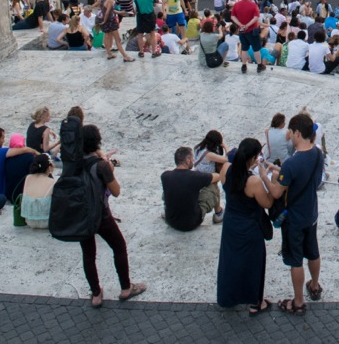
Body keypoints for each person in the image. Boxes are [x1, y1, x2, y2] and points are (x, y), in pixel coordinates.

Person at [75, 124, 145, 307]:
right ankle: (125, 287)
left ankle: (96, 294)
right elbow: (116, 191)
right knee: (119, 247)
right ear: (97, 143)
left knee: (88, 254)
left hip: (82, 214)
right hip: (101, 215)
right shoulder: (101, 166)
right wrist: (106, 163)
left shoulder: (73, 162)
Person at [268, 113, 323, 315]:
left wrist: (268, 177)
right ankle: (315, 286)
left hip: (294, 219)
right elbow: (314, 181)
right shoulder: (318, 154)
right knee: (313, 251)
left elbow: (276, 192)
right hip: (312, 214)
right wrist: (281, 171)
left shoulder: (291, 164)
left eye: (290, 132)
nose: (288, 135)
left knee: (296, 260)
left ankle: (298, 301)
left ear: (297, 133)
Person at [216, 137, 277, 315]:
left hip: (231, 224)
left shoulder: (226, 169)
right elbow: (267, 203)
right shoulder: (254, 182)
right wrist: (268, 179)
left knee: (230, 262)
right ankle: (256, 303)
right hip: (250, 228)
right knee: (253, 265)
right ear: (252, 158)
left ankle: (228, 297)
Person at [162, 145, 226, 232]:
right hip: (192, 223)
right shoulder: (195, 176)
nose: (193, 160)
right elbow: (217, 177)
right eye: (192, 158)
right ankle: (219, 214)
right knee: (213, 185)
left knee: (170, 189)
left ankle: (170, 211)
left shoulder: (165, 176)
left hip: (171, 221)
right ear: (187, 160)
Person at [231, 0, 265, 73]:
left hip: (242, 30)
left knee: (244, 48)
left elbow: (233, 16)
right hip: (252, 29)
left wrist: (240, 24)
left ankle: (244, 66)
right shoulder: (253, 5)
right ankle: (259, 65)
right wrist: (248, 25)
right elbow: (256, 17)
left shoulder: (236, 4)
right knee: (256, 48)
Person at [19, 154, 55, 228]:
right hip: (47, 221)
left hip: (29, 220)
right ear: (49, 167)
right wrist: (51, 172)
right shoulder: (53, 182)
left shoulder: (28, 178)